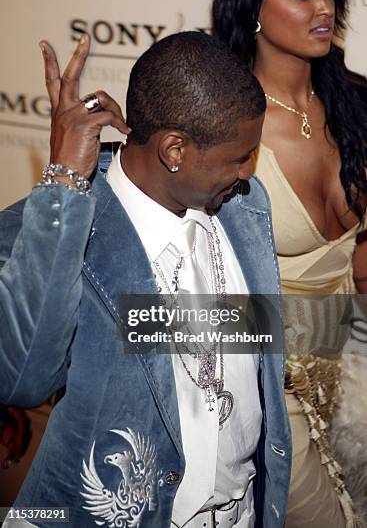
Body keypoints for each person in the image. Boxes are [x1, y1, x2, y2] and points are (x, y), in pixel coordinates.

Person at [0, 31, 291, 527]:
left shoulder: (244, 207)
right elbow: (21, 379)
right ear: (174, 149)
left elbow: (248, 359)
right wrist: (64, 187)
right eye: (238, 157)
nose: (248, 172)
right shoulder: (51, 228)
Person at [212, 0, 367, 527]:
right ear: (252, 3)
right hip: (264, 379)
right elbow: (179, 291)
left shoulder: (355, 103)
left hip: (344, 363)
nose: (324, 7)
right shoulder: (224, 123)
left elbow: (353, 258)